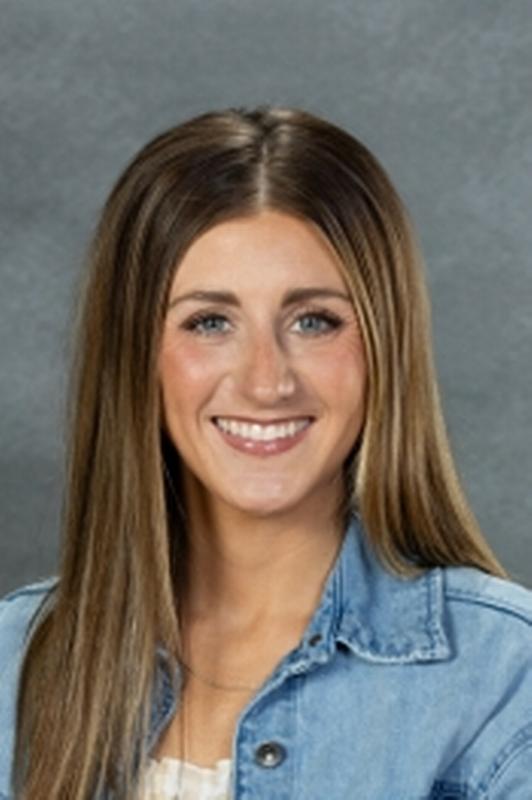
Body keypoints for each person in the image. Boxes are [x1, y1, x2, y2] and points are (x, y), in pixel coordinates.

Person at [0, 106, 531, 800]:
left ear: (384, 345)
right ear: (135, 355)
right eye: (209, 322)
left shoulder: (505, 675)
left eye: (314, 321)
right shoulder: (14, 660)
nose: (266, 381)